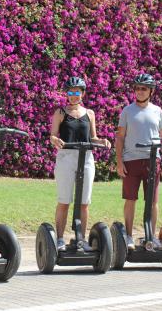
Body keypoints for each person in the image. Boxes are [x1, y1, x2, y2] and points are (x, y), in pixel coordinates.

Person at [49, 76, 111, 252]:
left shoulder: (89, 113)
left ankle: (81, 239)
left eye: (77, 92)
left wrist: (102, 141)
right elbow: (53, 135)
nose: (74, 95)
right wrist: (55, 140)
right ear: (66, 93)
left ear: (82, 93)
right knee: (64, 200)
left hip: (86, 157)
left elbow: (93, 137)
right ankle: (60, 239)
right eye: (70, 92)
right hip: (66, 157)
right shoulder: (60, 112)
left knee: (84, 202)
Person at [115, 73, 162, 250]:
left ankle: (151, 237)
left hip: (153, 160)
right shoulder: (127, 111)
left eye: (143, 88)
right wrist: (119, 161)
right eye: (137, 88)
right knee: (131, 199)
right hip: (131, 160)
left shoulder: (157, 111)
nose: (139, 91)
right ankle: (129, 236)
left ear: (150, 91)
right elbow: (120, 137)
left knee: (152, 201)